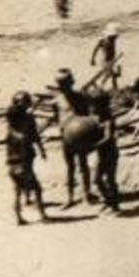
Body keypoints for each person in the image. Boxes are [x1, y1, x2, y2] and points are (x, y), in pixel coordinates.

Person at [51, 69, 98, 206]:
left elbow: (88, 117)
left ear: (72, 82)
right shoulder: (56, 101)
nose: (62, 86)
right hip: (66, 137)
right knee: (69, 167)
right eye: (59, 83)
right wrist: (62, 131)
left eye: (65, 82)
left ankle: (87, 194)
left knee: (83, 165)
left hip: (80, 136)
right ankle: (69, 197)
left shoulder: (81, 98)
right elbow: (57, 119)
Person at [4, 93, 49, 225]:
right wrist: (40, 149)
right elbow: (33, 136)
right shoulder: (23, 121)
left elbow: (35, 135)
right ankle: (42, 214)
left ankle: (18, 217)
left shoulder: (15, 125)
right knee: (37, 188)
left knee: (17, 189)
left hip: (15, 159)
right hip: (22, 159)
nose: (28, 103)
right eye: (26, 101)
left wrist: (41, 150)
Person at [89, 92, 122, 215]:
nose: (92, 108)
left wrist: (93, 146)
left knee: (110, 180)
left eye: (94, 105)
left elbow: (108, 138)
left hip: (110, 153)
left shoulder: (108, 120)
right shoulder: (97, 119)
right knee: (96, 179)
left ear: (101, 105)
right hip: (101, 153)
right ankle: (108, 201)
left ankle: (115, 206)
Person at [90, 23, 123, 92]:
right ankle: (101, 86)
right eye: (113, 36)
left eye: (115, 36)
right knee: (109, 75)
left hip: (112, 60)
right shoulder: (102, 41)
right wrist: (92, 59)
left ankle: (113, 88)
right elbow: (95, 49)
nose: (114, 38)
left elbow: (117, 51)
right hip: (105, 61)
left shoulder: (114, 40)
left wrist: (119, 65)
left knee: (114, 75)